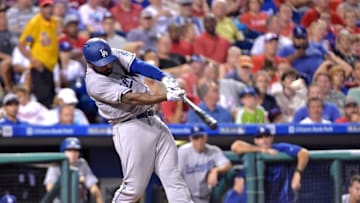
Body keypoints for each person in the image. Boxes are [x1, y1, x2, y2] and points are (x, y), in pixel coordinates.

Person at [82, 38, 193, 202]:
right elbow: (132, 98)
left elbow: (138, 65)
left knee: (173, 176)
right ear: (90, 63)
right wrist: (166, 96)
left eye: (108, 61)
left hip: (152, 120)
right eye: (102, 63)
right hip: (129, 127)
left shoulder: (112, 55)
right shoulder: (95, 84)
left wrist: (163, 77)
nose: (108, 65)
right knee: (134, 188)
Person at [231, 126, 309, 203]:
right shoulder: (252, 152)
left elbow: (303, 153)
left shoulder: (280, 148)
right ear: (255, 141)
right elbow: (235, 146)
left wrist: (297, 173)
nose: (264, 140)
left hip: (282, 198)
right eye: (260, 137)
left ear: (272, 138)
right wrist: (262, 150)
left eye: (267, 136)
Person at [18, 0, 59, 108]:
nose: (49, 9)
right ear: (40, 8)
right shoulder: (34, 23)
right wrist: (33, 60)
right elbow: (22, 45)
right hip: (40, 67)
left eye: (50, 6)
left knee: (50, 98)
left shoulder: (54, 22)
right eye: (45, 7)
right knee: (43, 99)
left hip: (51, 67)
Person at [178, 126, 232, 203]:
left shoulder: (213, 150)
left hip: (205, 197)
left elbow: (228, 164)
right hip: (186, 197)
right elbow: (175, 175)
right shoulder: (183, 152)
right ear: (191, 139)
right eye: (196, 138)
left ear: (205, 137)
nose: (199, 140)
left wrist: (215, 170)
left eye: (201, 137)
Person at [44, 137, 104, 203]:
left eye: (75, 150)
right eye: (69, 150)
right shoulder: (56, 165)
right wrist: (74, 180)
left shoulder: (82, 164)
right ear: (63, 152)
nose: (73, 153)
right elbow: (49, 188)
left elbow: (94, 190)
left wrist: (95, 193)